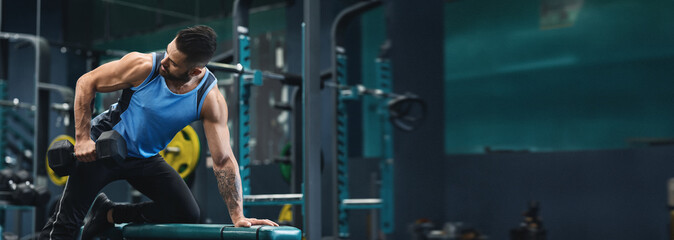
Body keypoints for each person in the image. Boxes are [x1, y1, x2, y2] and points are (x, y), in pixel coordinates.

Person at [39, 25, 278, 240]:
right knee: (65, 227)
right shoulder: (143, 66)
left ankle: (109, 213)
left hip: (145, 158)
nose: (164, 61)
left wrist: (238, 216)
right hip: (103, 145)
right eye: (167, 52)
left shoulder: (209, 99)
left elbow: (223, 160)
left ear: (195, 71)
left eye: (174, 63)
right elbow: (86, 82)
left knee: (186, 213)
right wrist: (82, 139)